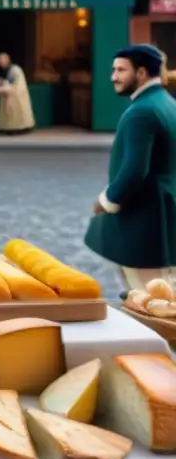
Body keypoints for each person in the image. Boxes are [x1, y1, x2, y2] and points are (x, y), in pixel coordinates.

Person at [85, 44, 176, 291]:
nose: (113, 76)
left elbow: (135, 170)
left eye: (121, 70)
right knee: (164, 290)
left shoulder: (141, 112)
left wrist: (105, 201)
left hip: (145, 217)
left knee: (148, 297)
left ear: (142, 72)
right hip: (165, 210)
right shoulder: (167, 103)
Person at [0, 52, 35, 134]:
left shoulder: (15, 69)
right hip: (12, 93)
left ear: (7, 60)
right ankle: (10, 128)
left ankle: (18, 128)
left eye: (2, 59)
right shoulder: (8, 70)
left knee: (17, 112)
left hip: (16, 95)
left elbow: (13, 82)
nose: (1, 62)